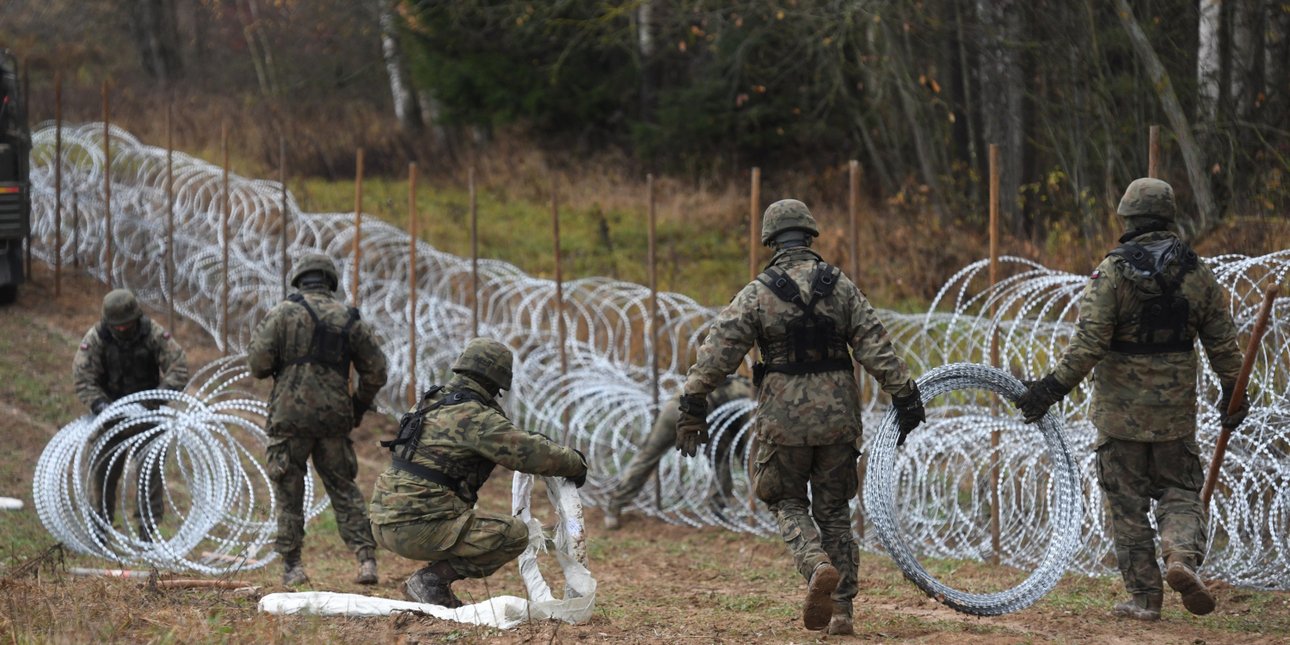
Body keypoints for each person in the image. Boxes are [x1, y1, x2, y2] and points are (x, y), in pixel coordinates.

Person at [675, 199, 925, 635]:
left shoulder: (758, 292)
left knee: (785, 500)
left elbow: (718, 352)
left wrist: (692, 403)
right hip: (838, 418)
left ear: (771, 241)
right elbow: (874, 345)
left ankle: (815, 566)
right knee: (834, 511)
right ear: (810, 236)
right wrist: (905, 395)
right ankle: (843, 611)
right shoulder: (840, 286)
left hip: (782, 420)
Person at [1015, 178, 1247, 621]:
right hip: (1176, 414)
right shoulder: (1197, 272)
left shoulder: (1113, 272)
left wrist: (1048, 390)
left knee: (1127, 504)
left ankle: (1145, 598)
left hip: (1120, 417)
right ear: (1169, 216)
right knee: (1179, 490)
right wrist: (1234, 395)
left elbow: (1087, 346)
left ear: (1127, 218)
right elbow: (1224, 345)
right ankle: (1180, 556)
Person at [368, 338, 589, 607]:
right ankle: (430, 581)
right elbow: (531, 453)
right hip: (415, 528)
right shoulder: (476, 417)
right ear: (497, 382)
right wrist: (575, 463)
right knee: (513, 534)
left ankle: (431, 583)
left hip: (381, 521)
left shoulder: (429, 403)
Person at [247, 252, 389, 587]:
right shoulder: (348, 318)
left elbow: (258, 364)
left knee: (288, 491)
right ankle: (366, 560)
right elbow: (377, 371)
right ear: (330, 282)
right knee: (344, 489)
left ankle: (293, 566)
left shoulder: (282, 314)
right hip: (333, 419)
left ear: (299, 279)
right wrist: (356, 406)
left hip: (289, 416)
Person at [73, 289, 189, 539]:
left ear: (136, 318)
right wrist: (101, 406)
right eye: (118, 327)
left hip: (147, 417)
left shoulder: (152, 334)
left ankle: (148, 532)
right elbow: (83, 377)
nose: (123, 331)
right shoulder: (97, 338)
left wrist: (153, 399)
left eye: (128, 325)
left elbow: (178, 367)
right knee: (103, 474)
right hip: (110, 420)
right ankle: (100, 529)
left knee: (150, 476)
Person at [603, 375, 754, 530]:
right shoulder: (746, 395)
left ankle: (614, 506)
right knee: (721, 462)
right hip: (699, 417)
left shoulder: (718, 375)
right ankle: (718, 510)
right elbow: (744, 447)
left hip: (674, 409)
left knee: (646, 457)